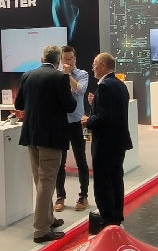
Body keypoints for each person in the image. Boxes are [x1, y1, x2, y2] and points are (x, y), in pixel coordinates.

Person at [14, 45, 77, 243]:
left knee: (40, 181)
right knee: (47, 182)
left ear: (43, 58)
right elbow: (70, 106)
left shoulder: (27, 75)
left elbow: (19, 105)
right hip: (51, 137)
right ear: (58, 61)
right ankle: (41, 230)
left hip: (31, 135)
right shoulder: (60, 77)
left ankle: (48, 218)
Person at [82, 52, 133, 229]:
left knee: (104, 182)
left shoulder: (104, 86)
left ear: (103, 65)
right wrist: (95, 104)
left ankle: (107, 218)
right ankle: (115, 216)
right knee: (116, 179)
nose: (92, 68)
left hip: (105, 143)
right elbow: (113, 112)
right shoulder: (119, 84)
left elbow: (105, 117)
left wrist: (88, 120)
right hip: (118, 142)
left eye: (95, 64)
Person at [54, 46, 90, 212]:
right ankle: (60, 196)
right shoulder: (56, 75)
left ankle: (83, 195)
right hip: (61, 123)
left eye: (70, 59)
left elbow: (80, 90)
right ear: (61, 60)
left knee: (81, 160)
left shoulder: (82, 74)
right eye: (65, 59)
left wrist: (68, 75)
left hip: (76, 122)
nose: (68, 62)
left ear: (75, 59)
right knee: (59, 162)